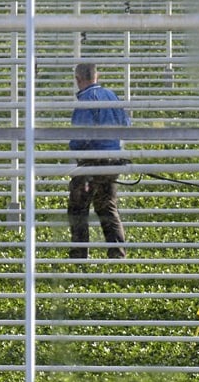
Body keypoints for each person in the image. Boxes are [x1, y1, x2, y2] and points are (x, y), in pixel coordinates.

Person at [67, 63, 131, 259]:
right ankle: (117, 253)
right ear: (98, 76)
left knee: (78, 207)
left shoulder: (86, 101)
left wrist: (74, 149)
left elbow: (81, 136)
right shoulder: (112, 96)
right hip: (113, 161)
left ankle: (79, 254)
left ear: (78, 79)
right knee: (107, 206)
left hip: (92, 163)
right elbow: (126, 125)